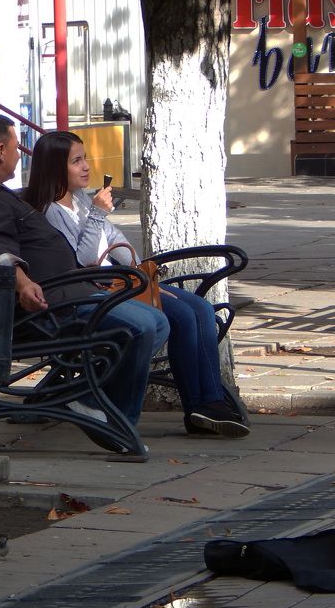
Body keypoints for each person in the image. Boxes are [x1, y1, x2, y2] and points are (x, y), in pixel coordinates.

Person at [22, 131, 250, 438]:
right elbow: (84, 259)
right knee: (182, 316)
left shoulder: (80, 200)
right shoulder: (51, 211)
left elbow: (114, 239)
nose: (86, 166)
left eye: (85, 158)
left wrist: (143, 275)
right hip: (98, 289)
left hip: (123, 282)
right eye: (76, 161)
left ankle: (208, 402)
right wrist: (98, 214)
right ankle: (198, 404)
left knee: (200, 309)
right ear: (54, 168)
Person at [0, 114, 169, 434]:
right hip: (53, 304)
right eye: (16, 147)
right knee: (144, 326)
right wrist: (24, 283)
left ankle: (85, 400)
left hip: (69, 292)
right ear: (0, 151)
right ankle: (108, 417)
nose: (19, 154)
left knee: (156, 322)